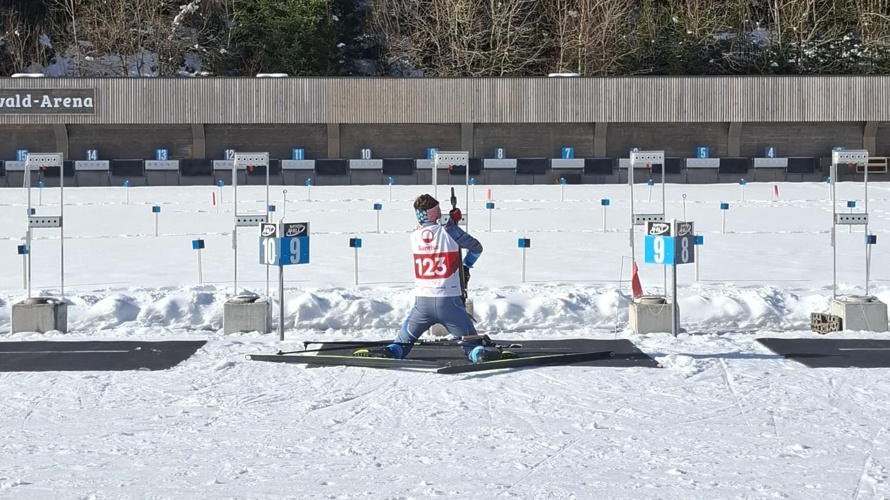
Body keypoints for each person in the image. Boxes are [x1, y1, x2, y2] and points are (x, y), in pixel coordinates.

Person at [354, 193, 504, 363]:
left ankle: (392, 352)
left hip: (422, 304)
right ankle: (479, 354)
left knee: (401, 344)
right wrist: (466, 264)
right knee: (472, 345)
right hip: (450, 303)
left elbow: (434, 236)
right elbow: (476, 248)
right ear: (437, 212)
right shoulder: (450, 231)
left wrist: (450, 223)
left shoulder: (415, 236)